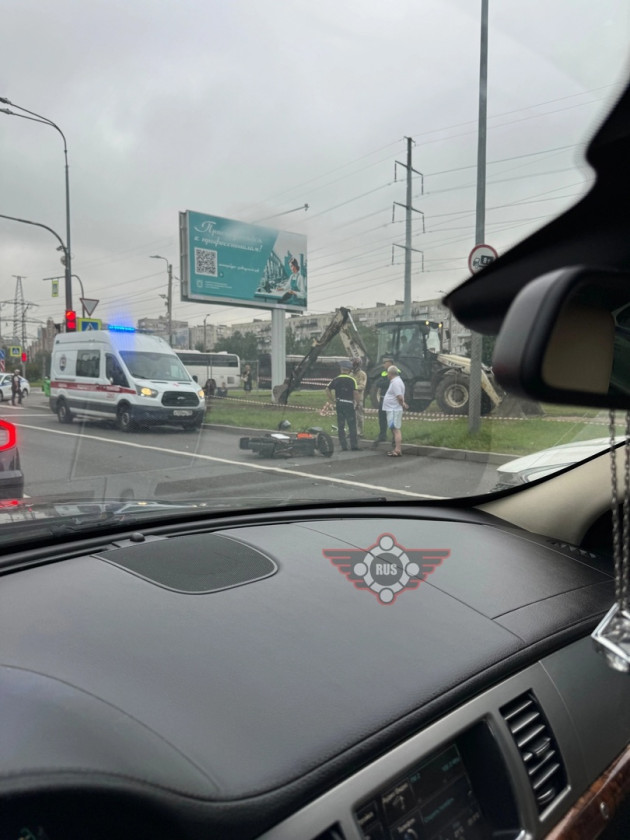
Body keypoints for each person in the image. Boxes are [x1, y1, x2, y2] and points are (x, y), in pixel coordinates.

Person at [325, 361, 359, 451]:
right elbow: (355, 393)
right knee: (352, 425)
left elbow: (327, 389)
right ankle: (354, 445)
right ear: (349, 370)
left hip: (339, 404)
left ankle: (343, 445)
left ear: (341, 369)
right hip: (349, 404)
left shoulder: (336, 379)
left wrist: (332, 399)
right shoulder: (352, 380)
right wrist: (357, 403)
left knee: (341, 425)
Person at [382, 365, 408, 457]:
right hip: (393, 408)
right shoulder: (396, 381)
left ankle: (397, 449)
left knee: (396, 429)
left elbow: (399, 397)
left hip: (394, 409)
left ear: (390, 373)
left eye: (387, 373)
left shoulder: (396, 382)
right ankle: (397, 449)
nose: (387, 375)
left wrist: (403, 404)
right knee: (394, 429)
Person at [373, 357, 395, 446]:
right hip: (383, 399)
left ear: (390, 363)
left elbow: (389, 383)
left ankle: (395, 437)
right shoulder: (384, 373)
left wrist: (384, 383)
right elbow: (378, 383)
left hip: (391, 400)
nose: (383, 365)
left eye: (385, 363)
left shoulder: (396, 372)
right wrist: (384, 383)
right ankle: (382, 435)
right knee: (382, 419)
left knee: (391, 419)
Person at [351, 358, 367, 436]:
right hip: (350, 398)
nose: (354, 366)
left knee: (359, 416)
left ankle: (360, 432)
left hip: (358, 398)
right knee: (351, 416)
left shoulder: (362, 374)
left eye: (355, 365)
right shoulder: (350, 374)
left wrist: (353, 387)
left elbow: (362, 386)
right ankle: (352, 431)